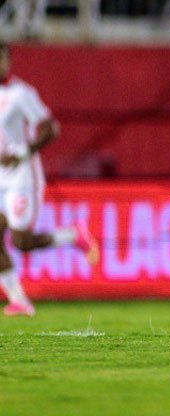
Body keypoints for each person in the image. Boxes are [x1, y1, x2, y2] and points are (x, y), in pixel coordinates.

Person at [0, 43, 97, 316]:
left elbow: (51, 128)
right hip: (0, 177)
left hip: (22, 175)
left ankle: (73, 234)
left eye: (1, 59)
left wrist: (23, 153)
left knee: (20, 241)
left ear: (8, 61)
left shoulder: (21, 93)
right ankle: (19, 300)